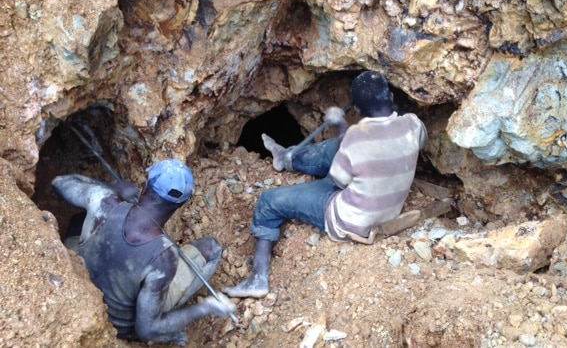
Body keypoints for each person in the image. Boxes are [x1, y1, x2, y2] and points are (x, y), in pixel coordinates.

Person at [223, 71, 428, 299]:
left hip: (349, 220)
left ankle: (257, 281)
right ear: (390, 97)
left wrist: (340, 125)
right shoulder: (413, 124)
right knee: (334, 148)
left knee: (268, 201)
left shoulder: (356, 137)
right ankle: (286, 158)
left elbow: (338, 181)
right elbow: (389, 135)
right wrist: (345, 134)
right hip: (390, 210)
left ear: (357, 110)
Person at [52, 159, 235, 345]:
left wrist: (114, 188)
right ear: (181, 204)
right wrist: (205, 308)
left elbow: (60, 182)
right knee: (211, 248)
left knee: (79, 220)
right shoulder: (163, 259)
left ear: (145, 186)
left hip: (79, 288)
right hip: (119, 325)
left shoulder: (103, 201)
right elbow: (146, 330)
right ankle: (168, 334)